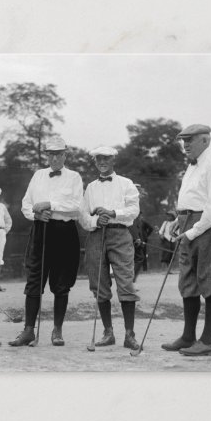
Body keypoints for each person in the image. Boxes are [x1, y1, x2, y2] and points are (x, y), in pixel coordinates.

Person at [161, 124, 211, 357]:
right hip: (188, 223)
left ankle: (207, 341)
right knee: (188, 282)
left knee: (209, 280)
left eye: (191, 140)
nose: (186, 145)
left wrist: (192, 231)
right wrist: (177, 221)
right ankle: (188, 337)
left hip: (208, 225)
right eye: (184, 141)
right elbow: (189, 201)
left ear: (205, 141)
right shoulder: (191, 167)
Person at [9, 136, 83, 347]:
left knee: (61, 283)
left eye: (59, 154)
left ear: (65, 155)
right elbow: (26, 204)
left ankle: (57, 330)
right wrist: (35, 215)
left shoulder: (74, 177)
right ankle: (29, 330)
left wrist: (50, 204)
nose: (55, 158)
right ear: (47, 156)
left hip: (64, 231)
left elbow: (77, 206)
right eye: (51, 154)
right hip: (41, 230)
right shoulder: (38, 175)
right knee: (34, 280)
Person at [79, 146, 141, 350]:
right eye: (98, 159)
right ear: (95, 162)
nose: (102, 162)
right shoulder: (90, 187)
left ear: (113, 160)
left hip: (120, 234)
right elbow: (83, 216)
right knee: (99, 283)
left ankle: (130, 334)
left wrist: (112, 213)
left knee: (125, 282)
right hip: (96, 236)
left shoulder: (126, 183)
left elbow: (133, 210)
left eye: (106, 158)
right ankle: (108, 332)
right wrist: (97, 221)